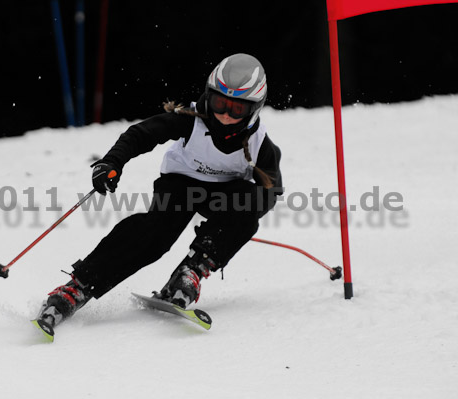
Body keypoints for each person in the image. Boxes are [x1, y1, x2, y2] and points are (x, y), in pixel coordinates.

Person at [36, 53, 283, 334]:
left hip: (225, 196)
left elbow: (271, 190)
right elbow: (141, 134)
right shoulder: (191, 119)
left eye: (237, 109)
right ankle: (78, 287)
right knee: (154, 235)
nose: (225, 114)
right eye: (219, 103)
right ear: (208, 95)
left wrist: (226, 226)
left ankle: (192, 271)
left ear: (254, 109)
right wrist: (112, 162)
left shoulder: (261, 144)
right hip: (180, 186)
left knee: (248, 211)